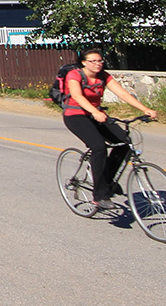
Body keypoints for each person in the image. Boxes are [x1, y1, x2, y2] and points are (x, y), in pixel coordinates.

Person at [62, 48, 158, 210]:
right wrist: (94, 111)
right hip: (75, 115)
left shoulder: (104, 76)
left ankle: (107, 182)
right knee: (99, 147)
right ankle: (100, 196)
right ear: (84, 63)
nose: (97, 64)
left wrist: (145, 109)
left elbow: (124, 95)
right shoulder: (75, 75)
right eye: (93, 61)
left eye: (100, 61)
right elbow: (77, 96)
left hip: (97, 114)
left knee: (125, 143)